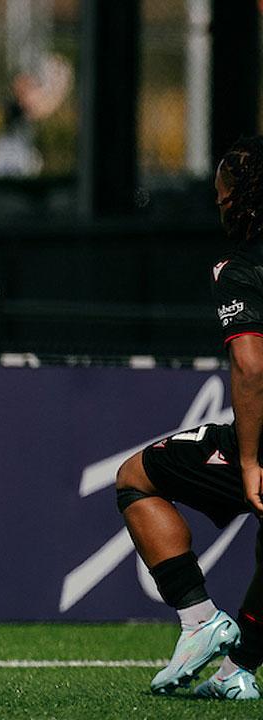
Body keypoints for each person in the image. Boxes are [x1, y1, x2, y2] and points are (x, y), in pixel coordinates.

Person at [115, 135, 263, 701]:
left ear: (244, 200)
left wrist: (249, 460)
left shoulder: (238, 267)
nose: (219, 206)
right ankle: (237, 672)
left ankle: (200, 620)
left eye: (224, 196)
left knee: (136, 476)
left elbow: (251, 367)